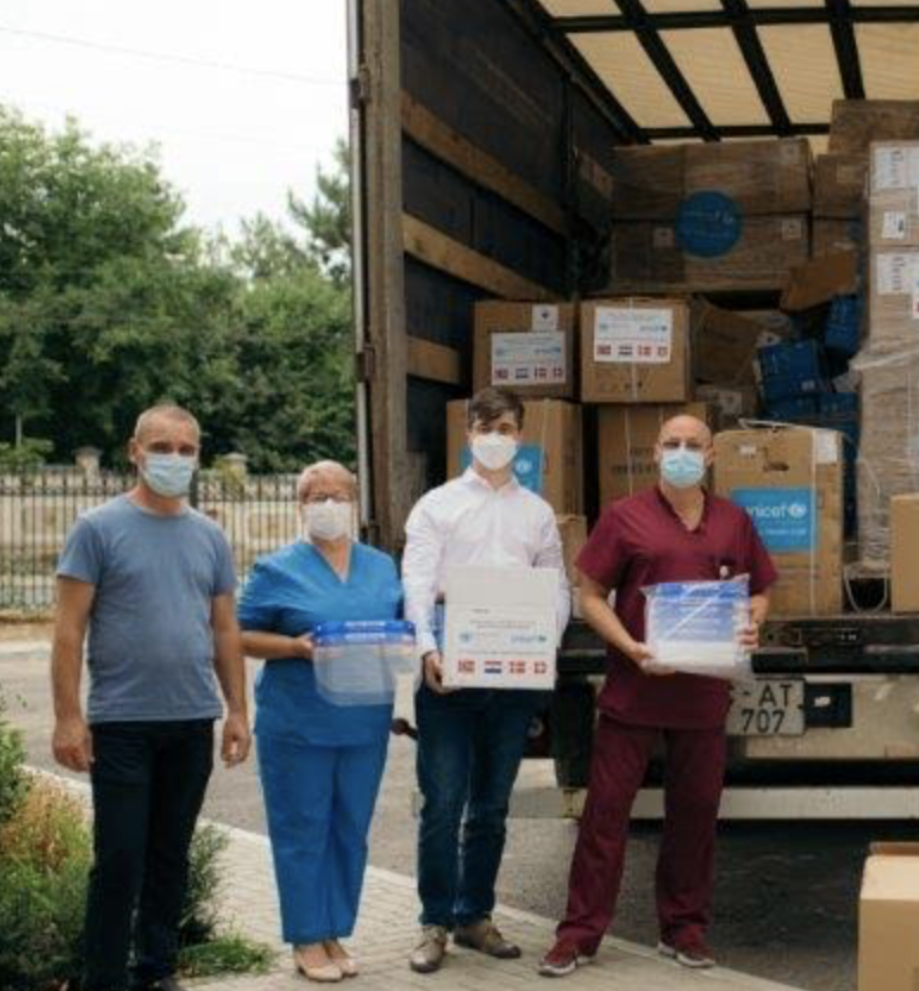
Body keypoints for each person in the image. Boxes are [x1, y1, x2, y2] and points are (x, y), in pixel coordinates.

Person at [541, 413, 776, 977]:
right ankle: (578, 933)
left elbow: (761, 589)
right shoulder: (625, 517)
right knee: (605, 816)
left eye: (693, 445)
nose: (681, 452)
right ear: (655, 452)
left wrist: (752, 623)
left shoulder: (733, 521)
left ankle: (685, 929)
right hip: (635, 690)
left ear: (711, 456)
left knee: (695, 815)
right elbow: (591, 593)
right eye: (672, 443)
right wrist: (630, 645)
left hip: (702, 695)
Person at [51, 404, 250, 991]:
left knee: (170, 856)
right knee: (118, 861)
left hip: (191, 720)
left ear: (199, 455)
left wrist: (238, 709)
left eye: (186, 449)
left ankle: (157, 971)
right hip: (122, 724)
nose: (175, 458)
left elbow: (225, 631)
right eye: (161, 447)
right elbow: (68, 631)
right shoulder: (96, 528)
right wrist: (68, 716)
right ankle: (105, 979)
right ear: (134, 451)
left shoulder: (210, 536)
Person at [400, 388, 570, 973]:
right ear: (469, 433)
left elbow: (557, 588)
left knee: (492, 807)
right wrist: (427, 650)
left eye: (507, 427)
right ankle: (434, 922)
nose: (496, 435)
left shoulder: (538, 513)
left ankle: (475, 916)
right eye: (486, 425)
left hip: (513, 680)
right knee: (443, 805)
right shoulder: (436, 507)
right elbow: (417, 585)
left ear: (521, 435)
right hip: (449, 674)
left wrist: (542, 645)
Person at [239, 461, 403, 981]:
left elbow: (402, 630)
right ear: (301, 505)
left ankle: (334, 928)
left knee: (349, 830)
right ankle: (306, 937)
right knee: (302, 829)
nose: (328, 504)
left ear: (355, 502)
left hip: (363, 723)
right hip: (297, 726)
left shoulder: (381, 566)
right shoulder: (276, 569)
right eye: (316, 495)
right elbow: (233, 635)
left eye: (338, 494)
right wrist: (291, 646)